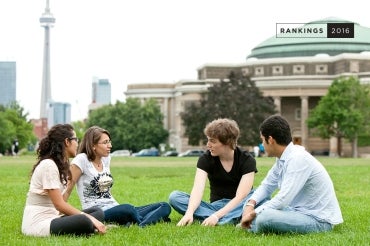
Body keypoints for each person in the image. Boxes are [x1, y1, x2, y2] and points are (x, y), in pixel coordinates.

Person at [240, 115, 343, 233]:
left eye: (262, 140)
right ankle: (251, 222)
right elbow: (267, 185)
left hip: (318, 220)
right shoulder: (283, 158)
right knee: (255, 199)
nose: (262, 144)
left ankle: (251, 225)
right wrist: (250, 204)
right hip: (295, 211)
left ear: (271, 140)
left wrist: (253, 214)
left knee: (264, 217)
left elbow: (283, 198)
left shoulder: (297, 159)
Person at [67, 126, 171, 227]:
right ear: (93, 145)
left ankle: (137, 222)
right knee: (128, 209)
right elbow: (68, 189)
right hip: (98, 213)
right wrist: (57, 212)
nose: (110, 145)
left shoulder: (106, 159)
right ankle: (146, 220)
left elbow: (107, 190)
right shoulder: (81, 160)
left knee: (164, 206)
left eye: (109, 141)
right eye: (105, 142)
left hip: (115, 208)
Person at [21, 124, 106, 237]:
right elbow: (59, 205)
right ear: (67, 142)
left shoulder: (60, 164)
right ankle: (88, 227)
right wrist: (88, 218)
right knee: (85, 220)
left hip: (54, 217)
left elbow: (61, 201)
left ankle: (88, 227)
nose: (78, 143)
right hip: (38, 223)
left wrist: (87, 217)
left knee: (97, 212)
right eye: (76, 139)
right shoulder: (48, 165)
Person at [169, 118, 257, 226]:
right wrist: (189, 212)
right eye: (208, 140)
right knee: (175, 197)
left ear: (227, 142)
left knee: (259, 195)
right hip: (215, 206)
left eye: (213, 141)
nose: (208, 145)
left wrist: (216, 216)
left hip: (239, 205)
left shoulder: (247, 160)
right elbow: (198, 189)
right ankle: (232, 219)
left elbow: (241, 197)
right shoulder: (205, 159)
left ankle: (220, 219)